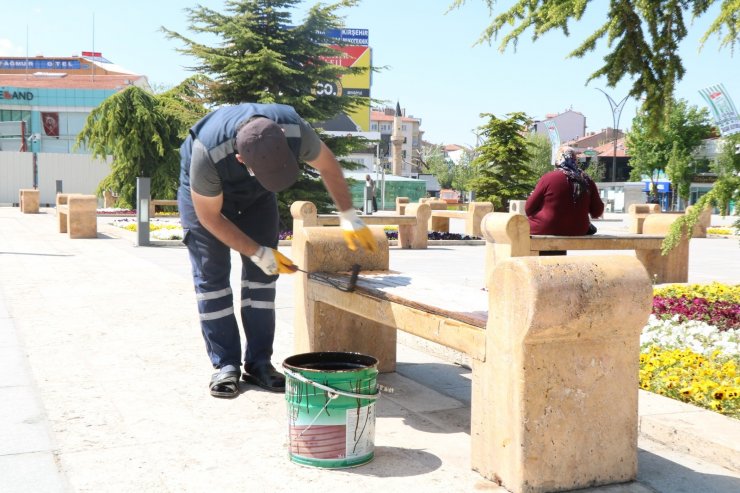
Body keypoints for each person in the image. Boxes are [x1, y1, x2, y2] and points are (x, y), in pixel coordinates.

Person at [178, 102, 377, 398]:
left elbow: (327, 164)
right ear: (240, 159)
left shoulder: (294, 128)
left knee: (262, 281)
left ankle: (259, 363)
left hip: (257, 197)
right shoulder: (208, 152)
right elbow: (209, 217)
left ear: (283, 137)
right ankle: (225, 365)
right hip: (204, 202)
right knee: (213, 281)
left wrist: (348, 214)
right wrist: (259, 252)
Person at [525, 145, 604, 253]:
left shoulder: (549, 178)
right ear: (575, 159)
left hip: (546, 228)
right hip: (578, 229)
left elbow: (528, 209)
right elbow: (597, 212)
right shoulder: (586, 180)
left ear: (559, 159)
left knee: (520, 228)